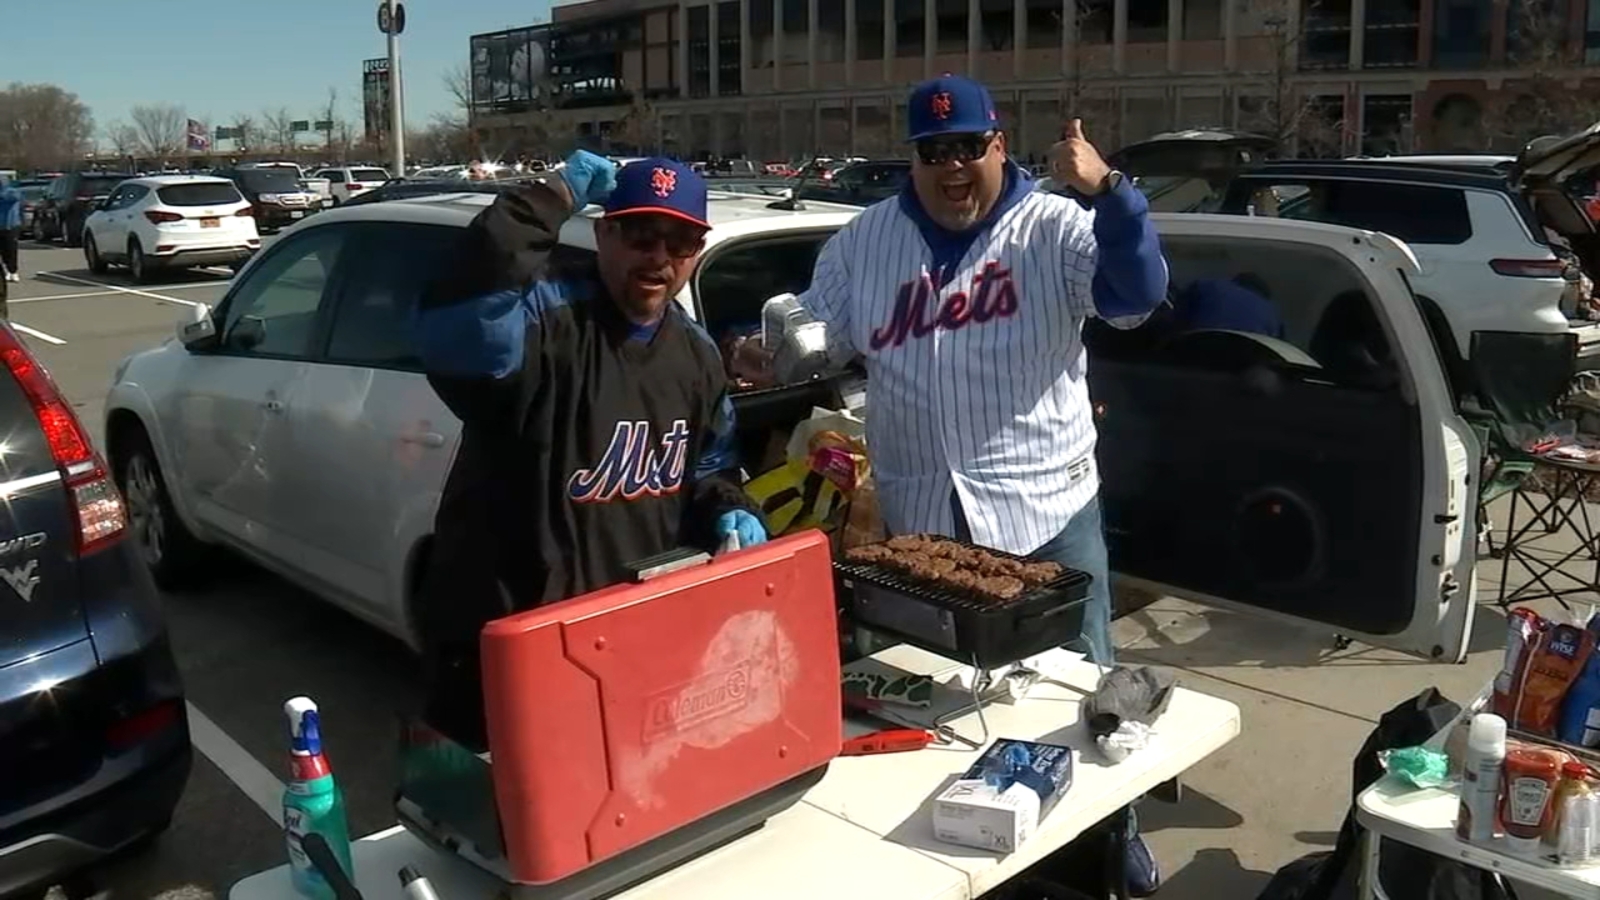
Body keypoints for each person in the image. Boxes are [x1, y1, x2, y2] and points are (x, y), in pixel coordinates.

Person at [783, 75, 1169, 894]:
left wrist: (1112, 191)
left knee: (1088, 706)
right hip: (924, 524)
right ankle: (965, 852)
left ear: (999, 144)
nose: (953, 166)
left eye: (969, 147)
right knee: (938, 706)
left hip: (1047, 510)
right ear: (913, 157)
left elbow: (1137, 299)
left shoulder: (1058, 224)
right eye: (933, 151)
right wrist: (772, 345)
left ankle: (1111, 843)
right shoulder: (863, 242)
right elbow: (817, 336)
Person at [413, 151, 769, 750]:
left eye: (679, 241)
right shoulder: (542, 322)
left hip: (629, 638)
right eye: (640, 234)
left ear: (696, 253)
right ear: (604, 233)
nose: (657, 256)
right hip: (508, 639)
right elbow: (461, 313)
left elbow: (709, 465)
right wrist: (548, 198)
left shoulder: (697, 356)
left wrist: (728, 508)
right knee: (499, 830)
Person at [0, 174, 21, 284]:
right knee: (3, 251)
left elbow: (13, 198)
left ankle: (13, 271)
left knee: (11, 250)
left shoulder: (12, 192)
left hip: (11, 226)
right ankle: (6, 271)